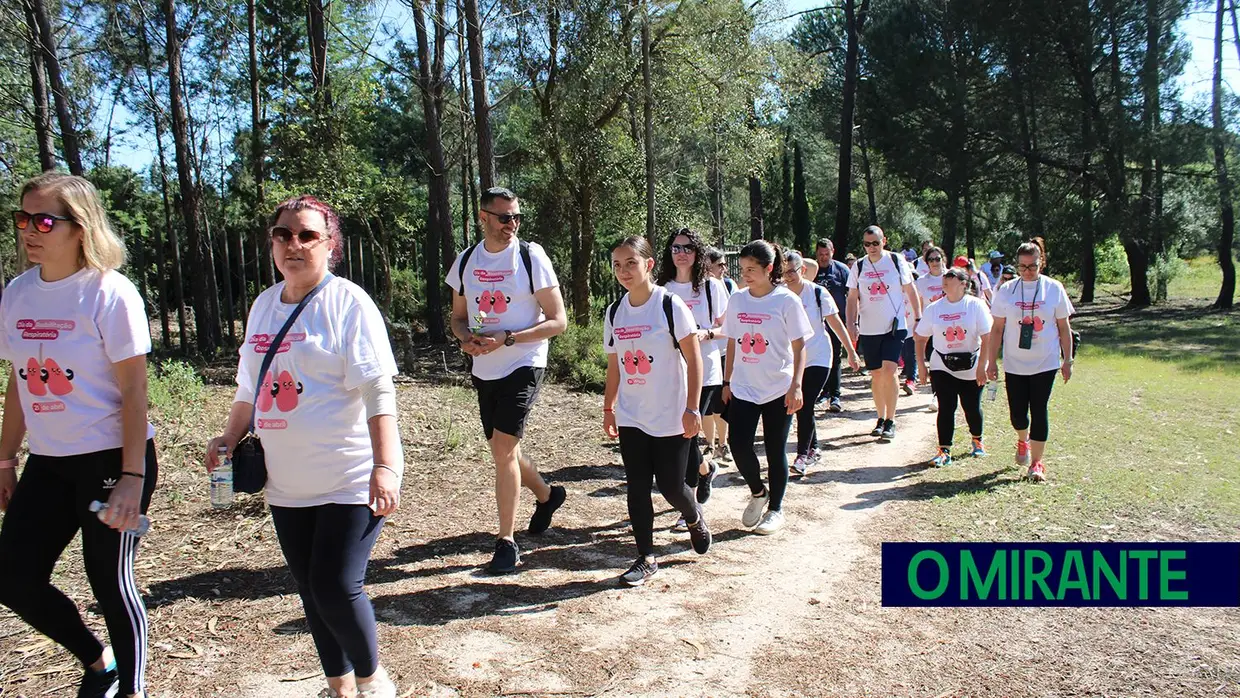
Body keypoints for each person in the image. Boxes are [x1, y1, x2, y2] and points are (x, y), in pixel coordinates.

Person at [205, 196, 401, 698]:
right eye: (283, 234)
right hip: (286, 483)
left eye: (307, 235)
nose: (294, 243)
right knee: (311, 590)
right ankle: (337, 686)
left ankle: (372, 679)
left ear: (329, 245)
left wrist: (386, 466)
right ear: (272, 242)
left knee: (336, 585)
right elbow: (249, 387)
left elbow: (378, 390)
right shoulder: (263, 306)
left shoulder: (348, 302)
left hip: (347, 474)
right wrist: (229, 436)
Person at [0, 173, 158, 698]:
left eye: (44, 220)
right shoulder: (18, 295)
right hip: (48, 461)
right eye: (23, 218)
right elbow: (19, 381)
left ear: (80, 226)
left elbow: (134, 393)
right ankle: (99, 662)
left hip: (110, 458)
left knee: (109, 582)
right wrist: (4, 461)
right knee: (13, 577)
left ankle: (133, 690)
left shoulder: (109, 293)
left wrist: (132, 477)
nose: (29, 230)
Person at [447, 187, 568, 573]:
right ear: (483, 218)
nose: (511, 225)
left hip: (524, 361)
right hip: (484, 366)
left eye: (516, 217)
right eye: (503, 218)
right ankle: (547, 495)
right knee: (505, 452)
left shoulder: (531, 257)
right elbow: (457, 317)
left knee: (502, 449)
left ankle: (506, 542)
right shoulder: (466, 261)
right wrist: (466, 339)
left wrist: (509, 338)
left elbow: (558, 320)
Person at [603, 237, 711, 586]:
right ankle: (646, 557)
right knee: (636, 486)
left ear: (648, 265)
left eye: (631, 263)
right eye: (617, 265)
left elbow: (694, 359)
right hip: (632, 414)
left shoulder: (670, 304)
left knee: (671, 487)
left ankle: (692, 514)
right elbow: (615, 365)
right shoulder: (614, 311)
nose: (623, 271)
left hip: (670, 412)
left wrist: (692, 408)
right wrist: (609, 407)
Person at [722, 240, 813, 535]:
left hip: (778, 386)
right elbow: (733, 342)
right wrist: (727, 381)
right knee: (738, 444)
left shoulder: (786, 301)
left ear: (769, 269)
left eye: (752, 269)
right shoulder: (737, 300)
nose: (745, 274)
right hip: (744, 387)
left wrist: (796, 386)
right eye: (743, 268)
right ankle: (759, 492)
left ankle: (776, 509)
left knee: (775, 449)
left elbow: (800, 348)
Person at [986, 238, 1076, 483]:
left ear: (1041, 263)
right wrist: (991, 361)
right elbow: (996, 330)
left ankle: (1037, 463)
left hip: (1045, 361)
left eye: (1032, 266)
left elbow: (1064, 327)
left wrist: (1068, 360)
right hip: (1015, 362)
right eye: (1023, 267)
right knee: (1017, 413)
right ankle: (1022, 439)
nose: (1027, 272)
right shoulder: (1006, 291)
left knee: (1039, 409)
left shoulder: (1054, 288)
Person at [657, 229, 728, 510]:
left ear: (697, 253)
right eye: (676, 248)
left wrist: (706, 334)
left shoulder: (711, 287)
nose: (682, 253)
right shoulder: (661, 288)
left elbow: (728, 328)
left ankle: (688, 504)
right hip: (669, 374)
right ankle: (703, 470)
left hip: (704, 370)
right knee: (679, 434)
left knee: (685, 436)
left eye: (687, 248)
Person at [782, 251, 859, 476]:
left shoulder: (817, 292)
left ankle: (802, 455)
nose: (788, 277)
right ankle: (813, 448)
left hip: (818, 356)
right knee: (800, 407)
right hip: (793, 360)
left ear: (803, 270)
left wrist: (851, 351)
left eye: (792, 272)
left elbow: (836, 323)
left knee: (804, 404)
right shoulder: (780, 295)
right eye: (784, 272)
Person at [846, 225, 921, 441]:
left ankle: (891, 420)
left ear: (884, 241)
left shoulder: (896, 261)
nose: (871, 248)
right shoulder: (859, 266)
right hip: (869, 329)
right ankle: (880, 418)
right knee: (877, 374)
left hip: (894, 326)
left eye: (875, 243)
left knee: (890, 370)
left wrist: (918, 317)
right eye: (867, 244)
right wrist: (851, 323)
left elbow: (910, 289)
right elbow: (852, 298)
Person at [914, 267, 993, 467]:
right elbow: (920, 337)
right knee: (946, 407)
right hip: (942, 364)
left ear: (963, 283)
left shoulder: (976, 305)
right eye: (945, 277)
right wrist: (922, 365)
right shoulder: (934, 308)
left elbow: (987, 337)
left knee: (971, 407)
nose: (946, 280)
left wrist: (982, 365)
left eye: (951, 277)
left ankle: (977, 441)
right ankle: (944, 450)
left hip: (971, 365)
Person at [704, 247, 737, 462]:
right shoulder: (694, 287)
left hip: (724, 350)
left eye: (725, 264)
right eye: (720, 264)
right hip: (705, 353)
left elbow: (731, 320)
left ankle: (723, 444)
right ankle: (709, 444)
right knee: (705, 405)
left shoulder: (727, 285)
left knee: (721, 403)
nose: (724, 268)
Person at [813, 239, 853, 413]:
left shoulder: (842, 270)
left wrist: (852, 322)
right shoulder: (812, 270)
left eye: (826, 254)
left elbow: (852, 296)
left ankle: (835, 395)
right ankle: (823, 392)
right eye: (820, 254)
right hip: (816, 322)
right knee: (819, 358)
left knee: (835, 357)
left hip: (836, 320)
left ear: (832, 252)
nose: (823, 258)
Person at [915, 246, 947, 413]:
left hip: (950, 326)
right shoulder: (921, 281)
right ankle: (937, 393)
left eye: (937, 259)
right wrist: (917, 323)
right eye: (931, 260)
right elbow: (918, 305)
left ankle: (947, 393)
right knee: (934, 360)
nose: (935, 262)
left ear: (943, 259)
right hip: (931, 327)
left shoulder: (951, 276)